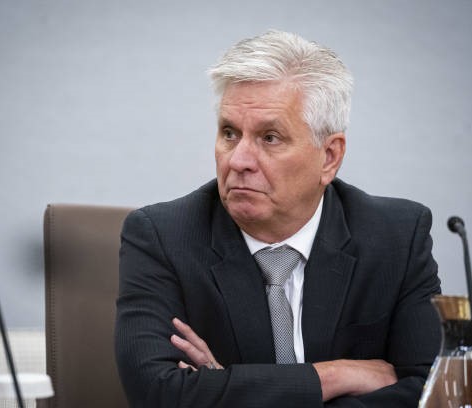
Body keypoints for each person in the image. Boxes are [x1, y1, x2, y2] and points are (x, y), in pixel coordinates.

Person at [115, 30, 441, 407]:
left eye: (270, 137)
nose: (239, 160)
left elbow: (432, 391)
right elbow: (158, 393)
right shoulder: (163, 238)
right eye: (229, 133)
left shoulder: (397, 237)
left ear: (329, 157)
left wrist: (224, 387)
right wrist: (334, 376)